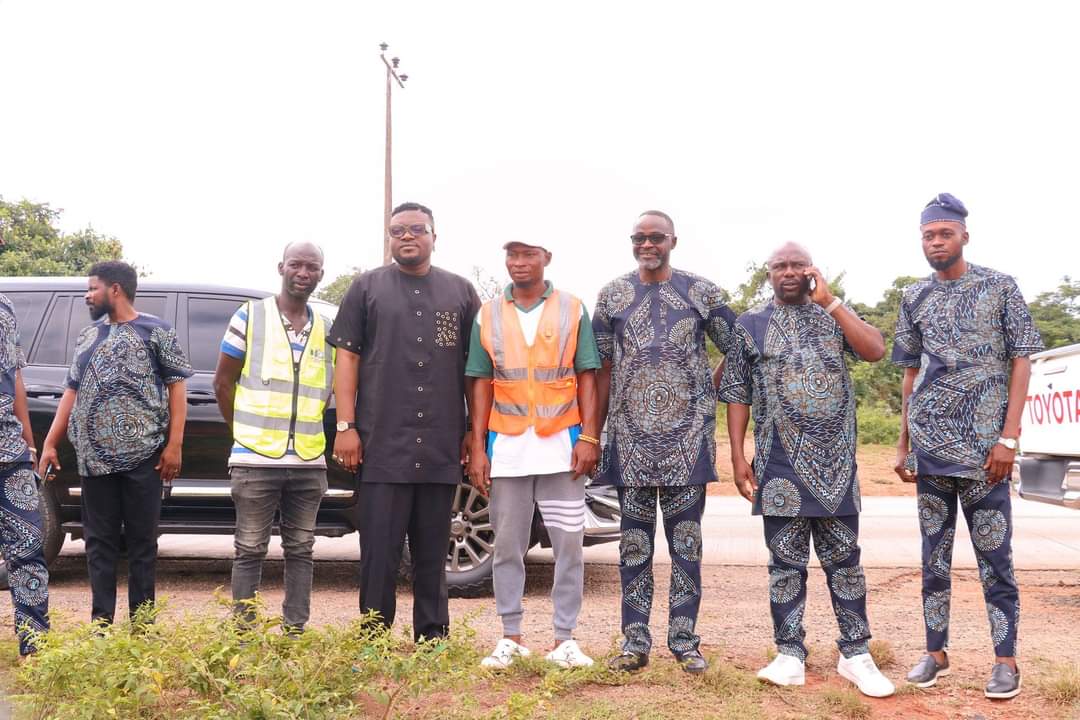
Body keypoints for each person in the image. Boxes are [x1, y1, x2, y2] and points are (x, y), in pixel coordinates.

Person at [718, 242, 895, 697]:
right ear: (769, 273)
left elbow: (875, 351)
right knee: (784, 565)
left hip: (836, 465)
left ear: (813, 270)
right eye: (781, 266)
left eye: (798, 264)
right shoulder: (749, 325)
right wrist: (738, 456)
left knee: (846, 564)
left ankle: (856, 654)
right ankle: (789, 653)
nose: (790, 272)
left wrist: (832, 302)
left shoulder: (833, 314)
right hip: (777, 465)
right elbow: (736, 394)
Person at [893, 193, 1043, 700]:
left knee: (994, 560)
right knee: (933, 558)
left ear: (963, 236)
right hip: (931, 450)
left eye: (944, 233)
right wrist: (903, 443)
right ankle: (935, 652)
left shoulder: (999, 287)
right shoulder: (914, 297)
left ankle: (1006, 661)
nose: (936, 242)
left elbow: (1022, 360)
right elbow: (910, 372)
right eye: (928, 235)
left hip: (986, 455)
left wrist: (1009, 435)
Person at [328, 202, 480, 641]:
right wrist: (346, 426)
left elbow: (474, 369)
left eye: (417, 229)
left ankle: (433, 638)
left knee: (434, 550)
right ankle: (374, 636)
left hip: (439, 445)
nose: (407, 237)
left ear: (435, 236)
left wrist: (473, 432)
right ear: (389, 237)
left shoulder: (460, 292)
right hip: (382, 445)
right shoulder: (366, 288)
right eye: (398, 231)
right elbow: (348, 358)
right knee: (379, 552)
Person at [594, 210, 735, 674]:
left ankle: (684, 642)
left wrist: (705, 391)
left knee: (686, 548)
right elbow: (600, 370)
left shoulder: (702, 293)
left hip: (687, 445)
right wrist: (594, 434)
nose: (647, 244)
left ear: (674, 239)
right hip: (630, 444)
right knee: (633, 548)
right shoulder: (612, 295)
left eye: (656, 237)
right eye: (639, 237)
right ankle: (634, 644)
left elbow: (739, 349)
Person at [465, 240, 601, 669]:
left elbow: (588, 376)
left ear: (547, 259)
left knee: (568, 547)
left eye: (528, 255)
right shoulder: (487, 314)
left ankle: (565, 639)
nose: (519, 263)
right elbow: (480, 382)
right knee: (506, 547)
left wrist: (590, 438)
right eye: (512, 255)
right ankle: (511, 636)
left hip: (561, 445)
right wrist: (478, 447)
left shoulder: (572, 308)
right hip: (506, 448)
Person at [39, 261, 192, 624]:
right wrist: (49, 443)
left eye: (93, 288)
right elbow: (71, 391)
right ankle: (102, 626)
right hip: (93, 461)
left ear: (116, 290)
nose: (87, 295)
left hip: (145, 459)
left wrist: (174, 445)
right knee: (99, 546)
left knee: (142, 545)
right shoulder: (87, 336)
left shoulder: (157, 332)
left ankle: (142, 628)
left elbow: (177, 389)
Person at [213, 242, 334, 633]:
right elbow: (222, 383)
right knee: (249, 549)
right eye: (296, 264)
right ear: (281, 267)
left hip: (308, 460)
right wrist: (244, 434)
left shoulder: (327, 330)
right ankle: (244, 634)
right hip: (254, 460)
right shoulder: (250, 316)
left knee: (301, 550)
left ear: (320, 274)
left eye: (311, 267)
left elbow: (331, 389)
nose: (303, 272)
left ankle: (294, 630)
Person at [0, 290, 50, 657]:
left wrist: (28, 444)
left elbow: (14, 375)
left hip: (10, 450)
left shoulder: (6, 306)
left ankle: (35, 648)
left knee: (29, 548)